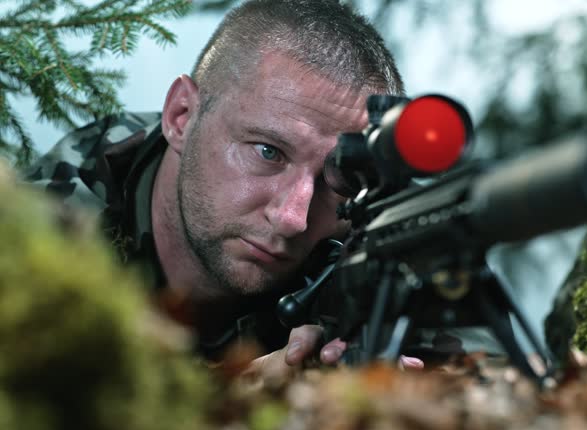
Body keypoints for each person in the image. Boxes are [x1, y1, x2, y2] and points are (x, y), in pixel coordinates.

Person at [25, 0, 427, 375]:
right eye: (269, 152)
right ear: (181, 117)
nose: (292, 218)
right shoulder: (46, 228)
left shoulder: (362, 227)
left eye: (335, 176)